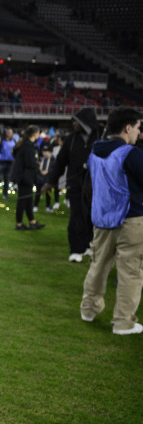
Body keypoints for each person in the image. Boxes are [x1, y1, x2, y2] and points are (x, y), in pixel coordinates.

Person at [80, 106, 143, 335]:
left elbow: (88, 187)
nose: (139, 133)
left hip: (101, 219)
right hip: (131, 220)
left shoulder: (94, 152)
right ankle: (123, 323)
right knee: (131, 273)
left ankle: (88, 310)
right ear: (128, 128)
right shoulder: (131, 154)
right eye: (138, 128)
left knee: (98, 266)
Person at [41, 108, 101, 263]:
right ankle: (75, 249)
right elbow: (60, 163)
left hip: (96, 187)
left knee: (92, 217)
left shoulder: (101, 137)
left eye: (77, 121)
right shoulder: (71, 140)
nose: (74, 124)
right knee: (76, 217)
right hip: (75, 186)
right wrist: (50, 182)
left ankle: (89, 245)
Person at [10, 125, 45, 231]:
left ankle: (32, 222)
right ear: (34, 134)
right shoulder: (28, 146)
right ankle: (19, 224)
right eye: (38, 133)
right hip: (25, 177)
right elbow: (29, 162)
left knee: (28, 200)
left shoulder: (27, 145)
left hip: (26, 177)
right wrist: (37, 166)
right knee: (23, 201)